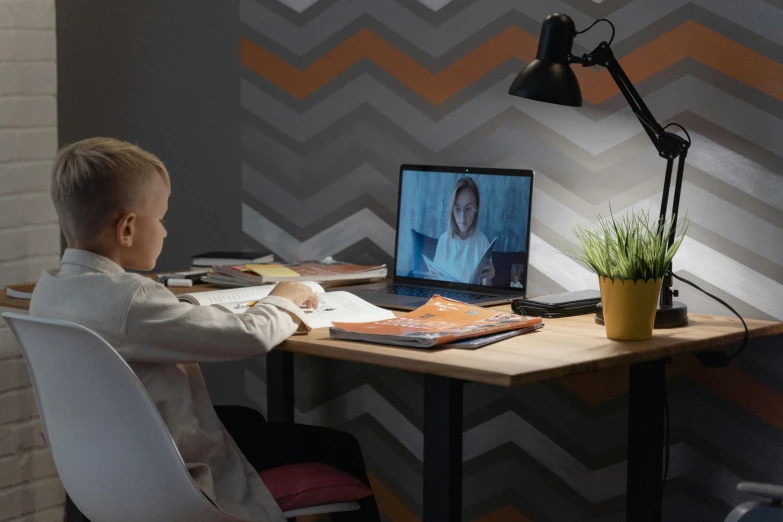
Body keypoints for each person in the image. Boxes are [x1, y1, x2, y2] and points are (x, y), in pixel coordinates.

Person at [29, 138, 379, 522]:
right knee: (340, 446)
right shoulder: (132, 300)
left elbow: (145, 323)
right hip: (168, 470)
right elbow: (250, 336)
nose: (164, 231)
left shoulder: (49, 289)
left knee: (248, 420)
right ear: (127, 228)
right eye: (160, 219)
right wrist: (284, 299)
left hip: (106, 465)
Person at [432, 177, 495, 285]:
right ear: (452, 210)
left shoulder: (482, 241)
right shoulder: (444, 240)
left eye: (468, 208)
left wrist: (489, 277)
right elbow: (434, 280)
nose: (462, 217)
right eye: (458, 209)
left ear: (476, 210)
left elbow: (486, 290)